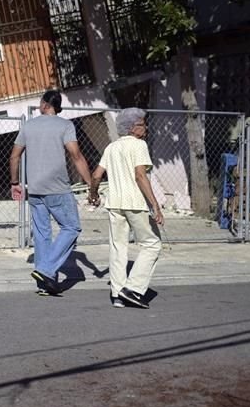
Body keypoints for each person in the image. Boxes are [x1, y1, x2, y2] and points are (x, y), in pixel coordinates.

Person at [9, 90, 93, 296]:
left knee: (41, 234)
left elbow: (14, 156)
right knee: (71, 227)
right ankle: (46, 271)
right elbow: (76, 155)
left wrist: (15, 182)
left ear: (46, 104)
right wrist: (91, 184)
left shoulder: (28, 126)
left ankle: (44, 284)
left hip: (35, 189)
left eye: (40, 102)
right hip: (58, 188)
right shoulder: (65, 125)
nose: (39, 105)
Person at [88, 108, 163, 309]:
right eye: (141, 124)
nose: (145, 127)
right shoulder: (139, 145)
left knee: (118, 247)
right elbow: (140, 175)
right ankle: (134, 289)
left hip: (114, 204)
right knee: (152, 244)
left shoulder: (111, 148)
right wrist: (155, 205)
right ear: (131, 128)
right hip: (135, 203)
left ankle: (117, 294)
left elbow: (96, 175)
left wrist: (93, 194)